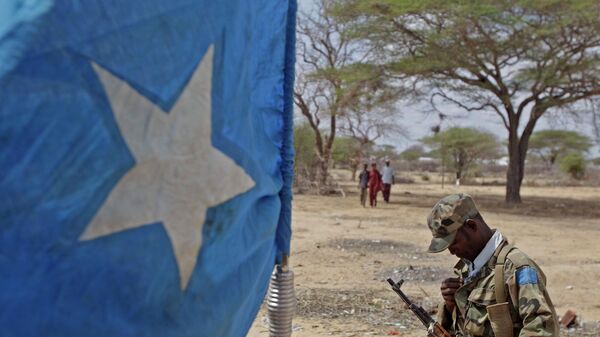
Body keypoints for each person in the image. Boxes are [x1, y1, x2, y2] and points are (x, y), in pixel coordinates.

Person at [426, 193, 558, 337]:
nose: (451, 251)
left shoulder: (516, 268)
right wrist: (450, 306)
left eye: (454, 242)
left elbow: (542, 329)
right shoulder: (467, 269)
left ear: (472, 226)